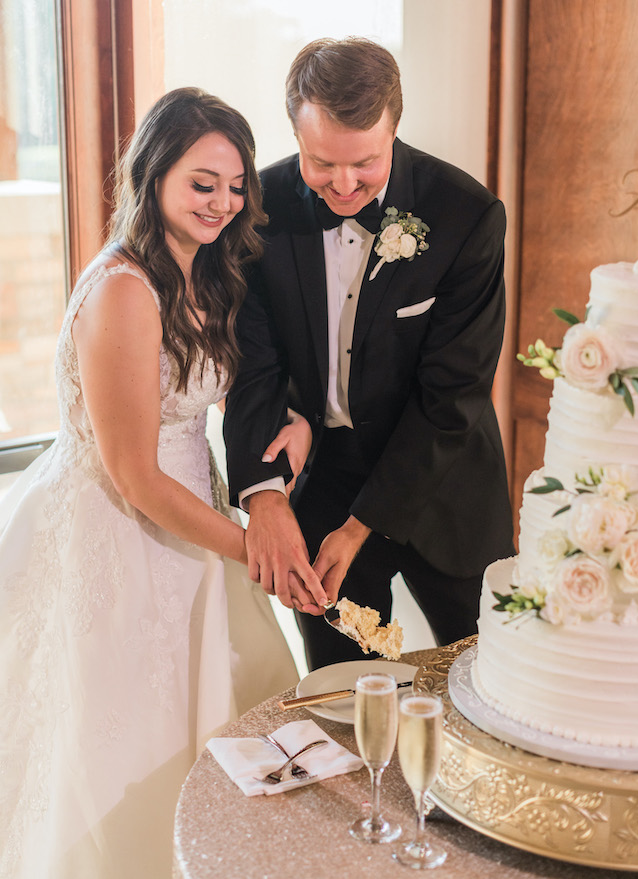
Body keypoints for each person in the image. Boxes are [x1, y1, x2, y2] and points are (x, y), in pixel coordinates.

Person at [0, 87, 305, 879]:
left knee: (214, 714)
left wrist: (295, 428)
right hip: (123, 530)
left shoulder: (204, 272)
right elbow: (134, 475)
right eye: (202, 183)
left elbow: (229, 390)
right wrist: (248, 548)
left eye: (235, 186)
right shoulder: (125, 291)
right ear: (155, 175)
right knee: (132, 732)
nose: (222, 202)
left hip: (190, 512)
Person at [224, 37, 515, 671]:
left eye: (365, 163)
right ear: (295, 132)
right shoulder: (259, 212)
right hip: (326, 480)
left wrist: (363, 526)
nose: (344, 185)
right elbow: (254, 366)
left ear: (394, 128)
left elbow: (454, 396)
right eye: (321, 163)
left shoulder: (466, 215)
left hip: (446, 487)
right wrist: (264, 494)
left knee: (490, 682)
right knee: (340, 696)